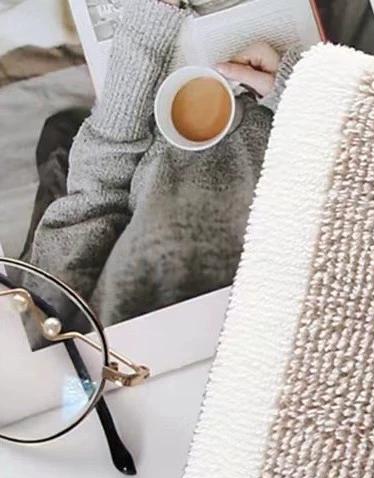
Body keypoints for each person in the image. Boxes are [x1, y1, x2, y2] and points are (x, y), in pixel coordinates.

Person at [25, 0, 301, 326]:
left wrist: (146, 30)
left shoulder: (53, 327)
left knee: (57, 140)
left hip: (145, 144)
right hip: (290, 106)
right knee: (58, 141)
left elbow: (92, 198)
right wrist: (300, 93)